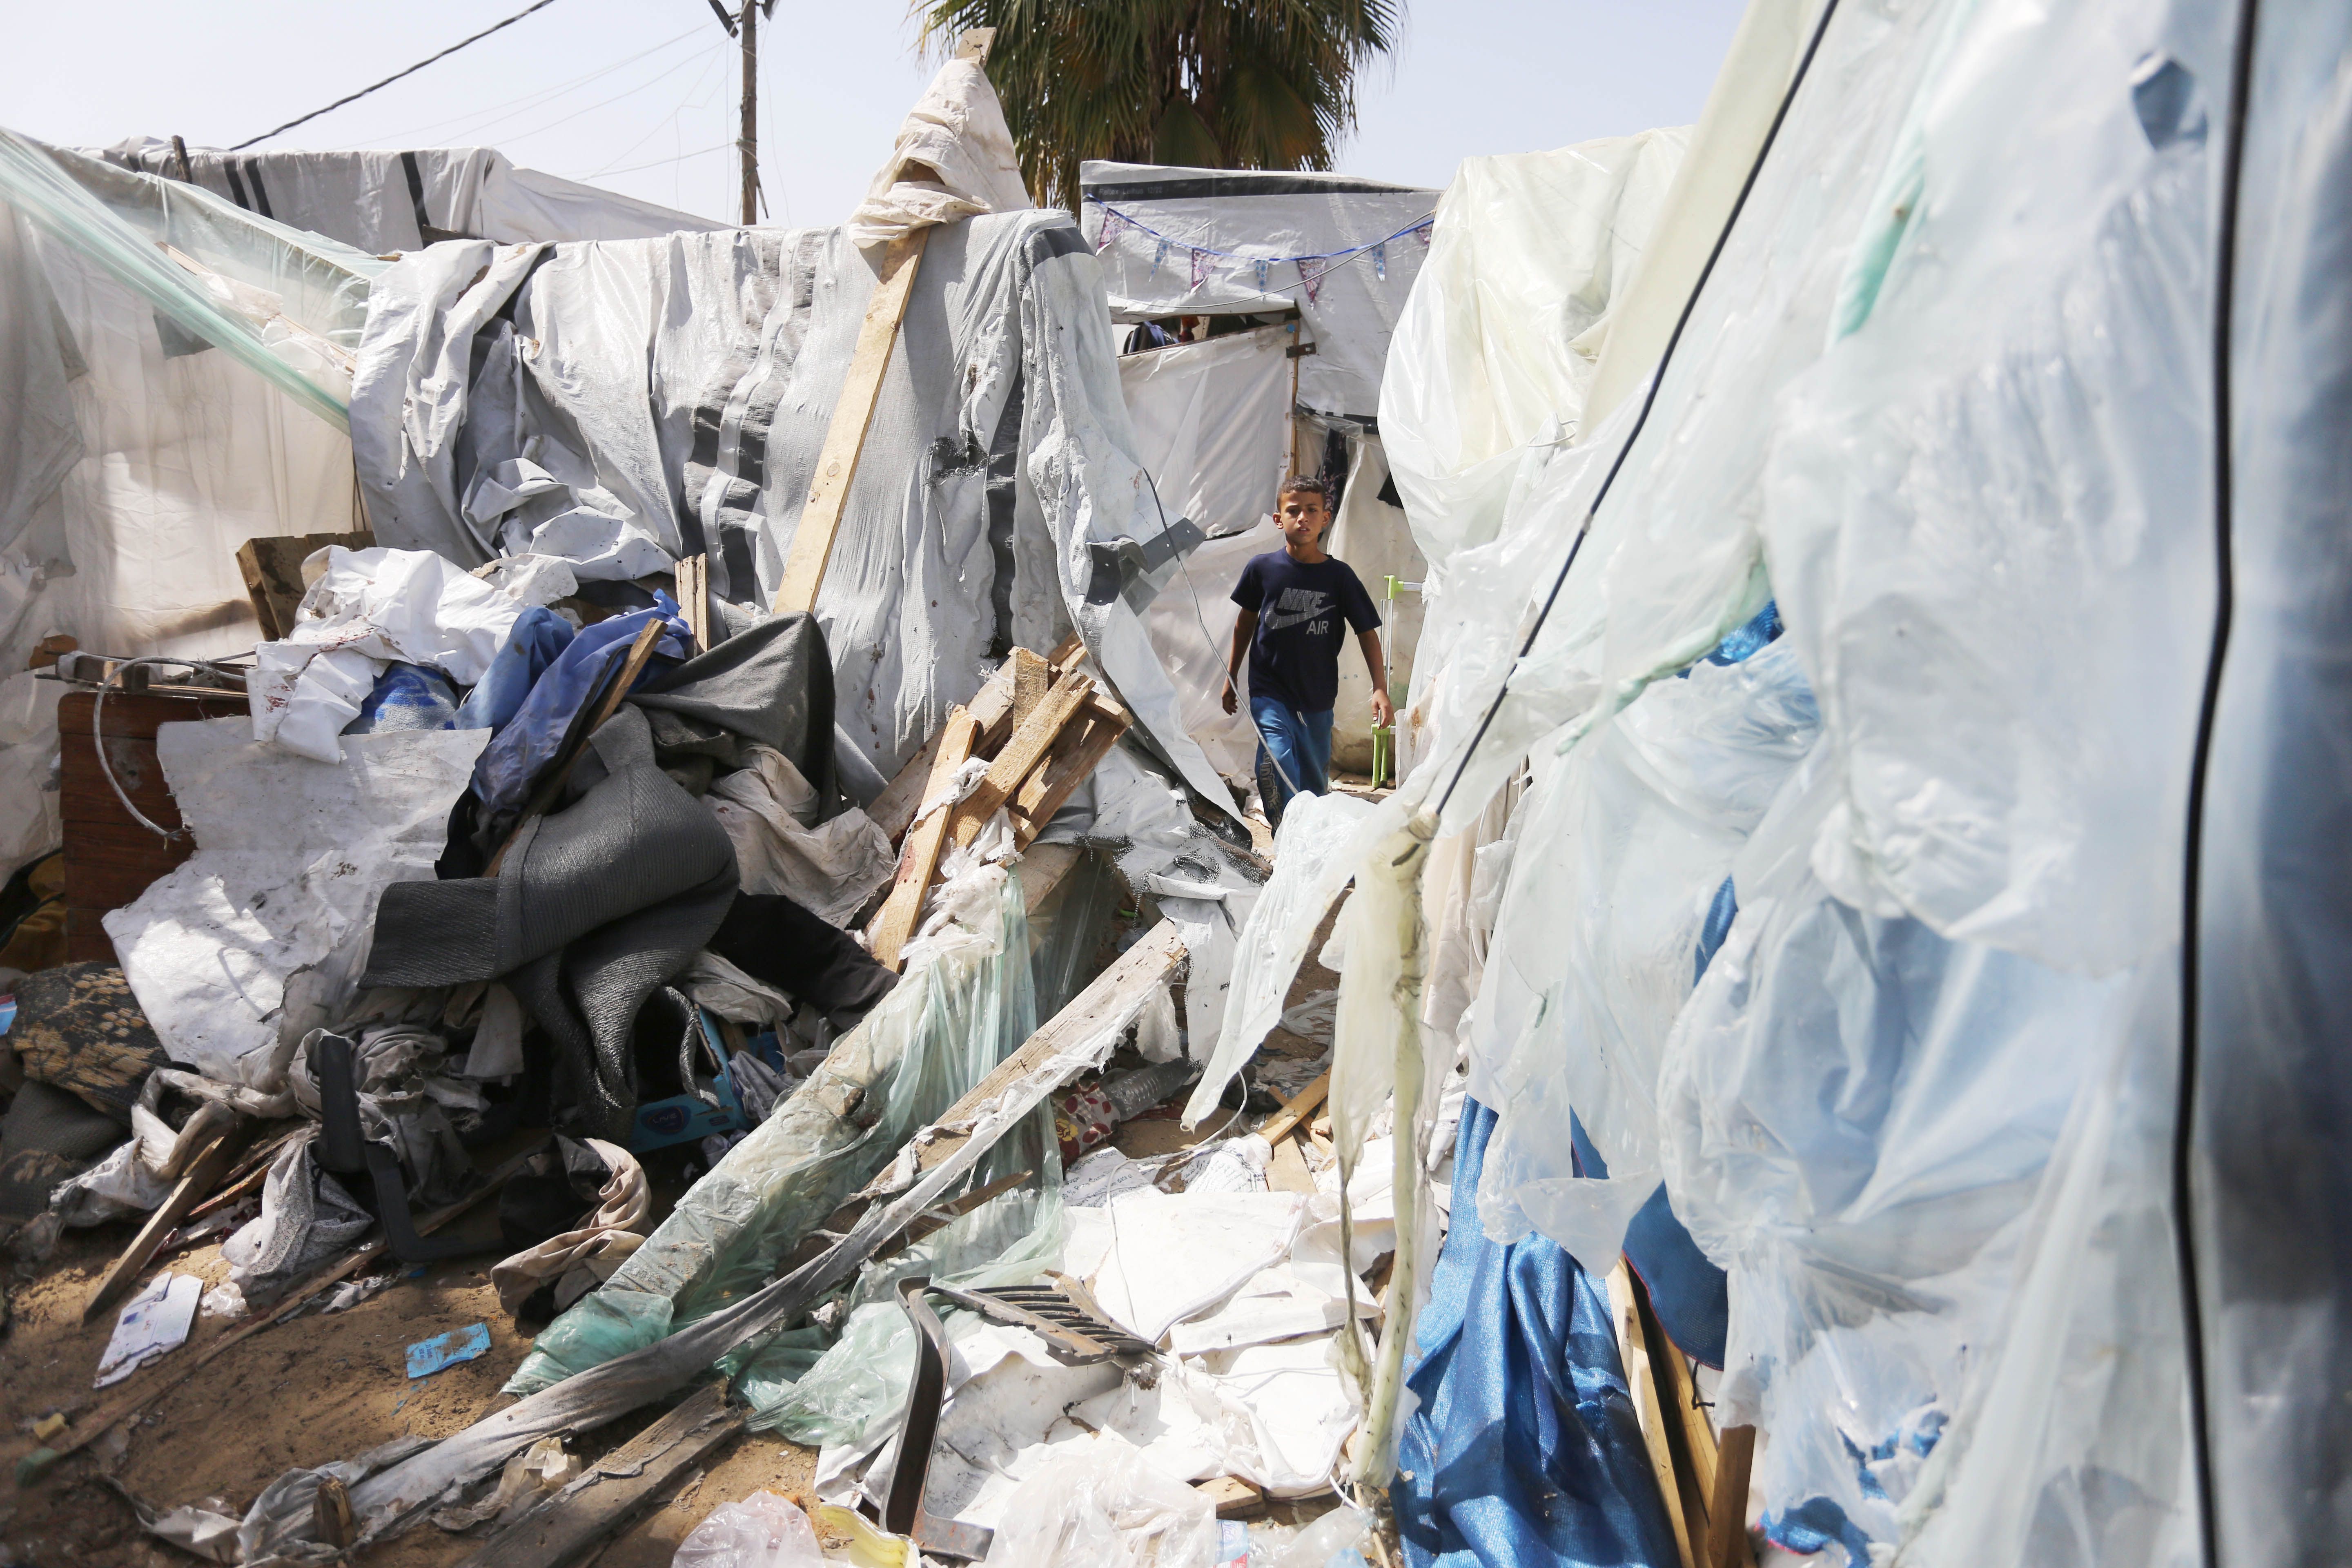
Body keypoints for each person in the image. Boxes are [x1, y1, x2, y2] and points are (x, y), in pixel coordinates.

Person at [1223, 476, 1392, 824]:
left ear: (1325, 519)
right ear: (1278, 519)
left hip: (1317, 696)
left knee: (1315, 786)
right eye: (1294, 510)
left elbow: (1367, 633)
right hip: (1270, 692)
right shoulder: (1262, 569)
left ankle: (1310, 840)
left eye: (1312, 510)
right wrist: (1231, 675)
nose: (1303, 518)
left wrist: (1380, 688)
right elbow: (1244, 625)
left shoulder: (1339, 577)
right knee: (1277, 760)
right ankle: (1283, 834)